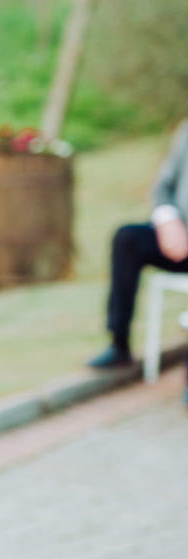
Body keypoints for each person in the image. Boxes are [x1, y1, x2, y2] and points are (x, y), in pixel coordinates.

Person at [87, 118, 188, 370]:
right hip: (180, 238)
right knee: (128, 238)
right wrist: (168, 221)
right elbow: (163, 188)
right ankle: (118, 344)